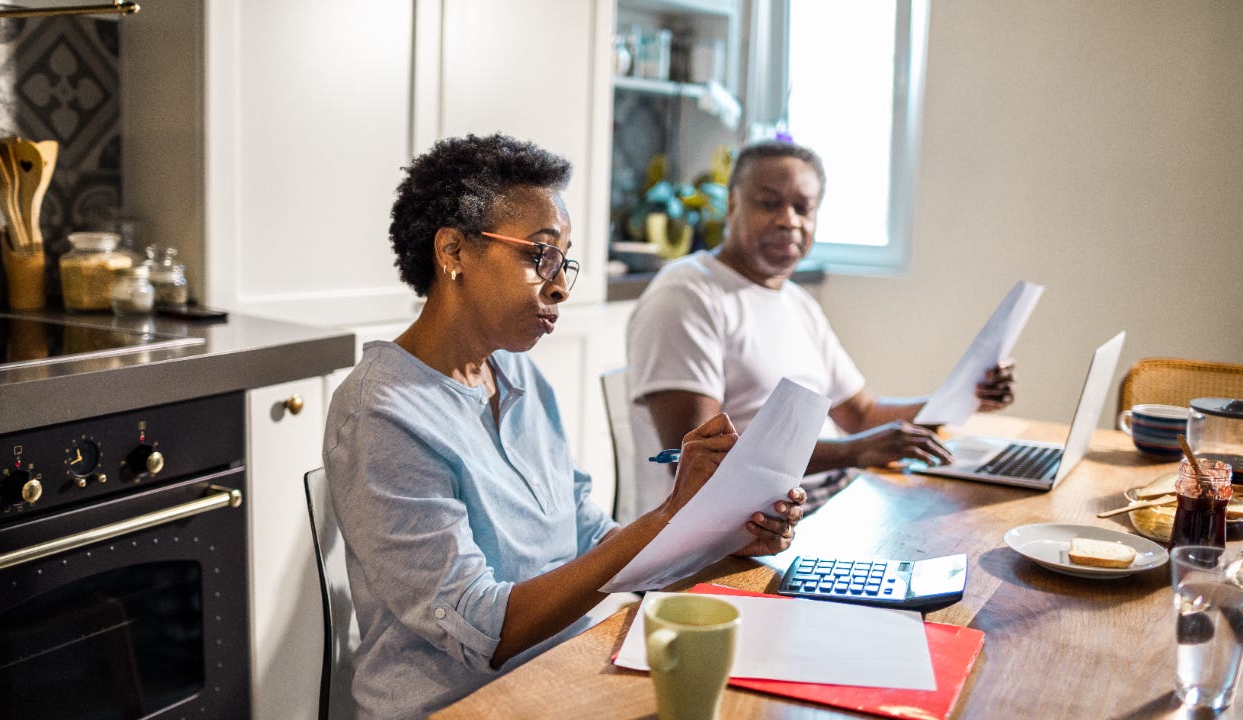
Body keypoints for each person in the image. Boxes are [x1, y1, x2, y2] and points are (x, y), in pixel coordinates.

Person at [322, 133, 807, 720]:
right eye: (538, 256)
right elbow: (483, 628)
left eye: (563, 262)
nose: (558, 285)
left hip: (565, 676)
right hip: (461, 705)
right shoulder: (382, 412)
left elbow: (591, 537)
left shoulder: (521, 380)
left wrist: (722, 541)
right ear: (452, 251)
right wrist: (666, 516)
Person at [625, 139, 1015, 519]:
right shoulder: (688, 294)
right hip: (741, 531)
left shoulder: (796, 302)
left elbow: (862, 415)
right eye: (769, 203)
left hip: (823, 502)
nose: (788, 220)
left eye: (803, 208)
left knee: (965, 521)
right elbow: (697, 461)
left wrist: (967, 394)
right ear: (731, 205)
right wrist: (852, 451)